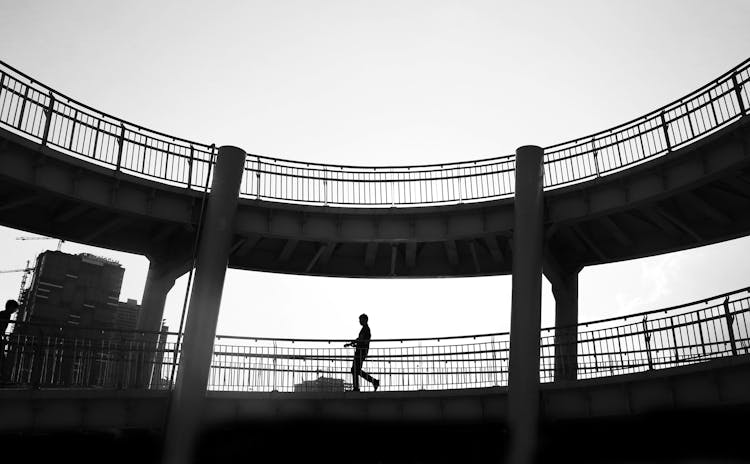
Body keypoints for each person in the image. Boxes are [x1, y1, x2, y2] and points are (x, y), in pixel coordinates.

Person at [344, 313, 380, 392]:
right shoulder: (365, 329)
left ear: (365, 320)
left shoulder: (366, 329)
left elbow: (361, 340)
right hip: (361, 351)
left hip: (361, 352)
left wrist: (353, 343)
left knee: (354, 370)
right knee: (356, 370)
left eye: (361, 319)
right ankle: (373, 382)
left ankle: (359, 387)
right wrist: (352, 343)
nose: (360, 321)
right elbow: (360, 339)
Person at [0, 300, 19, 382]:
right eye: (15, 309)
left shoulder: (3, 314)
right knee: (2, 359)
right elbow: (1, 327)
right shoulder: (6, 315)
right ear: (11, 307)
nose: (15, 311)